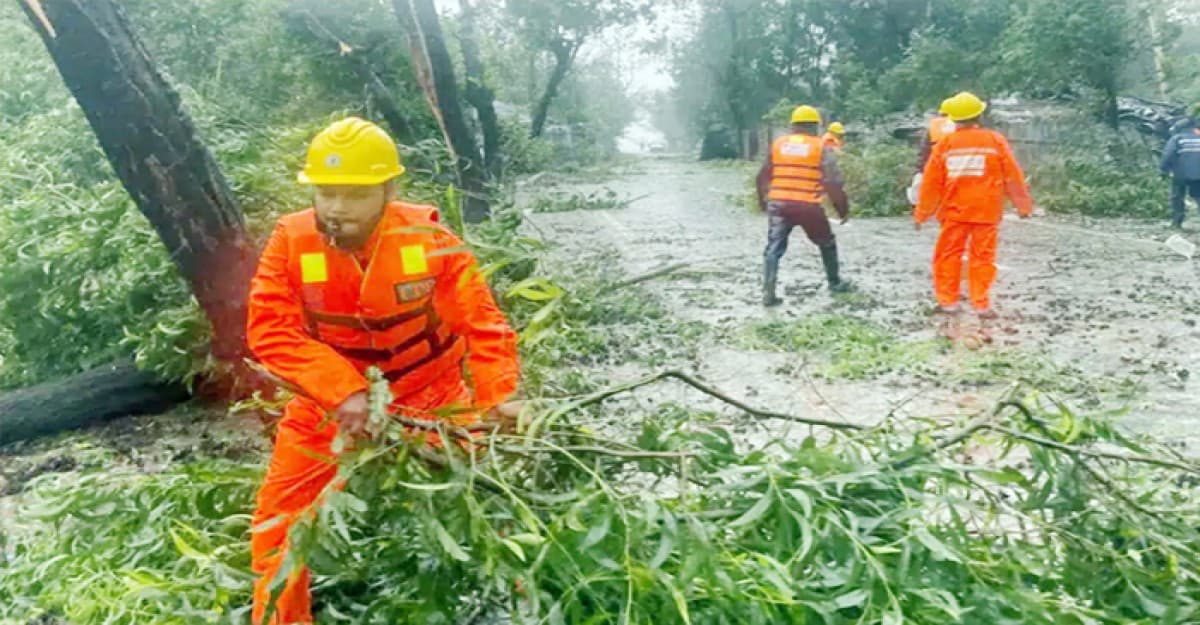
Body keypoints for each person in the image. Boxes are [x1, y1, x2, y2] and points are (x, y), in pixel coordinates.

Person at [245, 117, 520, 624]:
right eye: (326, 193)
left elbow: (483, 323)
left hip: (432, 396)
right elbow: (271, 331)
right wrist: (343, 392)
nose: (337, 208)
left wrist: (497, 396)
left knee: (485, 503)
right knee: (279, 524)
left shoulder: (429, 240)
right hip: (326, 407)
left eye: (355, 194)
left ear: (388, 191)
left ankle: (515, 603)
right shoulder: (290, 241)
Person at [914, 92, 1033, 319]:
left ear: (953, 118)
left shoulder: (945, 144)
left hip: (954, 212)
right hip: (986, 211)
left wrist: (922, 213)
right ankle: (981, 304)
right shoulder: (995, 140)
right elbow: (1012, 176)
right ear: (979, 115)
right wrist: (1023, 206)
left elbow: (931, 183)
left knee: (948, 255)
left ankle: (948, 302)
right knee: (983, 258)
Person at [757, 105, 853, 307]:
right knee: (826, 242)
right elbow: (833, 183)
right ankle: (835, 282)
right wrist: (842, 210)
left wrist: (762, 202)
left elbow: (762, 176)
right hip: (808, 205)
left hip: (779, 205)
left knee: (773, 248)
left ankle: (768, 292)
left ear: (792, 125)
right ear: (815, 126)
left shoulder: (779, 144)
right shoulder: (820, 147)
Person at [1161, 112, 1200, 229]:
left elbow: (1168, 155)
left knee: (1177, 197)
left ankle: (1177, 222)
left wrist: (1163, 170)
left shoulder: (1177, 138)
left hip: (1180, 174)